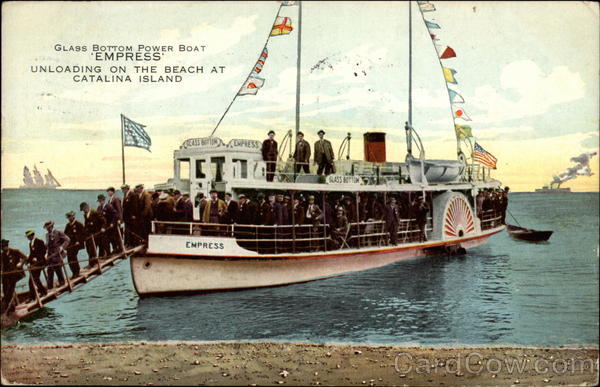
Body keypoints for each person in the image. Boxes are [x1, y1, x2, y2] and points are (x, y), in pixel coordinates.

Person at [1, 239, 26, 314]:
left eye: (3, 247)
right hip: (6, 275)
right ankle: (10, 306)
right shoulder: (2, 255)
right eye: (1, 248)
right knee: (5, 290)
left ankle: (8, 307)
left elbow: (25, 258)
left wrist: (20, 264)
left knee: (10, 290)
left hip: (15, 274)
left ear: (7, 246)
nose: (2, 249)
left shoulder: (15, 252)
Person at [44, 220, 70, 289]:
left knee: (58, 269)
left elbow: (67, 239)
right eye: (46, 228)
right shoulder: (47, 235)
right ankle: (50, 286)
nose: (48, 229)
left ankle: (62, 283)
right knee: (49, 270)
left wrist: (62, 247)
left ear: (52, 226)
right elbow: (47, 245)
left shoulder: (58, 232)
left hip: (57, 254)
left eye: (49, 227)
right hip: (50, 255)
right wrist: (46, 253)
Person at [25, 230, 47, 298]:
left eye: (29, 236)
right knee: (32, 279)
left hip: (40, 262)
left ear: (32, 235)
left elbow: (44, 251)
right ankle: (36, 294)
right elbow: (31, 254)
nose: (28, 238)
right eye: (27, 237)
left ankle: (42, 292)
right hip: (35, 264)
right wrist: (27, 261)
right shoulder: (30, 243)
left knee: (35, 278)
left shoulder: (39, 241)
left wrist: (37, 258)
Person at [80, 202, 103, 267]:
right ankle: (93, 262)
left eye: (84, 209)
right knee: (88, 248)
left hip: (96, 234)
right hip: (89, 235)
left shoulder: (94, 213)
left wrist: (102, 228)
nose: (84, 211)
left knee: (92, 249)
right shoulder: (85, 215)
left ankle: (92, 263)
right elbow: (86, 225)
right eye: (83, 210)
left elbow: (102, 220)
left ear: (87, 207)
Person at [63, 211, 84, 277]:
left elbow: (83, 233)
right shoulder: (68, 225)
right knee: (69, 259)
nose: (69, 218)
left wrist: (79, 241)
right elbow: (65, 235)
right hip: (70, 245)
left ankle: (77, 272)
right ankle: (73, 272)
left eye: (70, 217)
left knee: (74, 257)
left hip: (76, 244)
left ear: (73, 216)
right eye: (68, 217)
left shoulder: (78, 224)